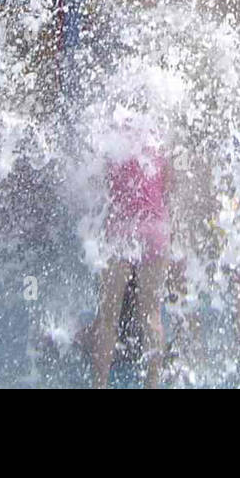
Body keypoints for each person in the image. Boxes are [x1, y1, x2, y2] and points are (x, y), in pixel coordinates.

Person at [87, 145, 173, 388]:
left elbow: (101, 186)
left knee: (107, 320)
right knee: (152, 317)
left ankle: (99, 384)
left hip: (119, 230)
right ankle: (152, 384)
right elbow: (168, 184)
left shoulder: (111, 136)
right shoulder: (158, 136)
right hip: (154, 230)